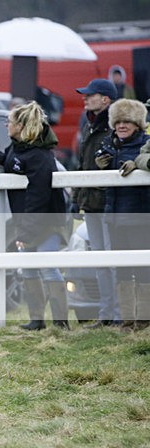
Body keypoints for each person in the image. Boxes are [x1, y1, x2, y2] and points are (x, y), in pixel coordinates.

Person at [0, 101, 69, 330]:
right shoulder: (17, 147)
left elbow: (38, 196)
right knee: (28, 267)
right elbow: (9, 158)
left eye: (9, 122)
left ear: (20, 126)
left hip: (46, 220)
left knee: (48, 266)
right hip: (27, 220)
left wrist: (26, 231)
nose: (6, 125)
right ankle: (37, 320)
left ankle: (61, 323)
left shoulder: (40, 156)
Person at [96, 98, 150, 331]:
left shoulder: (146, 145)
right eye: (118, 122)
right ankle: (127, 321)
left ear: (138, 124)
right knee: (122, 269)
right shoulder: (108, 145)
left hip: (140, 216)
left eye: (127, 121)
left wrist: (138, 164)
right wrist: (100, 166)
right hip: (114, 217)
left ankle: (144, 320)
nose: (121, 126)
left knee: (143, 268)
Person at [70, 78, 120, 328]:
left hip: (109, 204)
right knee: (101, 261)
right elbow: (83, 167)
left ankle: (118, 314)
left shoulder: (115, 127)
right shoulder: (90, 125)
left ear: (105, 99)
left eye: (90, 95)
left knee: (113, 261)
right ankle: (107, 314)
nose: (85, 98)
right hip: (92, 203)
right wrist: (77, 198)